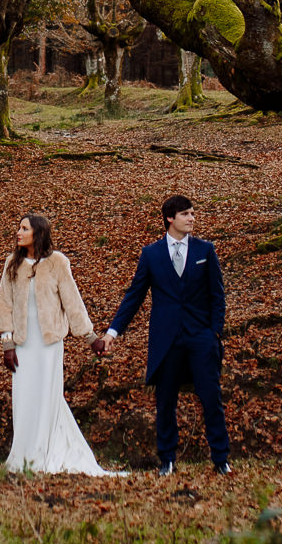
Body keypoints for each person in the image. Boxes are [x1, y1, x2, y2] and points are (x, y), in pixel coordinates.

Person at [93, 194, 231, 475]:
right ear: (170, 218)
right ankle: (166, 460)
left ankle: (221, 459)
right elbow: (134, 296)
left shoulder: (206, 251)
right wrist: (112, 332)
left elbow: (218, 296)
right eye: (185, 214)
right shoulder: (151, 254)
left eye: (193, 213)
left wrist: (214, 333)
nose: (191, 218)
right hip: (166, 340)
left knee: (211, 398)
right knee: (165, 401)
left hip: (200, 338)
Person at [0, 212, 123, 476]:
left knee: (48, 397)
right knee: (23, 398)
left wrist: (90, 338)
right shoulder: (12, 264)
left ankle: (47, 452)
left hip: (48, 344)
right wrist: (7, 344)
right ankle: (24, 455)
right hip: (22, 345)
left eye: (24, 229)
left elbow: (72, 302)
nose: (18, 232)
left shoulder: (57, 263)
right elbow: (4, 305)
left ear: (38, 233)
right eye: (18, 228)